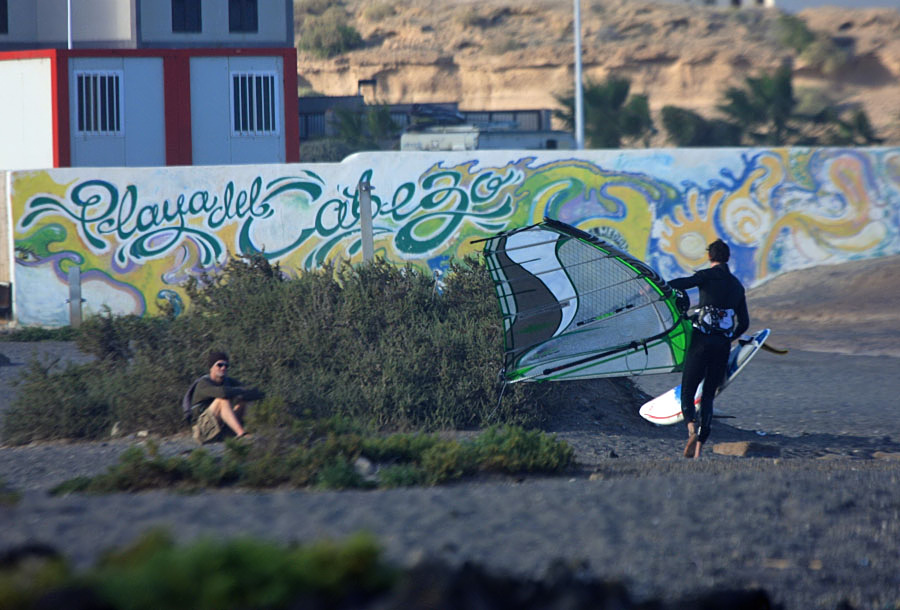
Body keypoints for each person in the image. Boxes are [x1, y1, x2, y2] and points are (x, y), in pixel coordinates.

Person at [669, 239, 749, 459]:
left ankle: (691, 430)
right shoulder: (736, 286)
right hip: (721, 345)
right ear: (727, 258)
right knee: (708, 397)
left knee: (688, 390)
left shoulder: (705, 276)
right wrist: (728, 338)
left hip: (700, 342)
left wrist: (658, 285)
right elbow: (744, 323)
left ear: (710, 256)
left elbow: (679, 284)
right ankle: (699, 449)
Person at [183, 350, 264, 444]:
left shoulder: (228, 381)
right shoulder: (203, 384)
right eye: (220, 365)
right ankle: (241, 434)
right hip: (202, 432)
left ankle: (253, 430)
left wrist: (248, 393)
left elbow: (252, 391)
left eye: (226, 365)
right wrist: (242, 391)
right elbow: (222, 392)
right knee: (222, 400)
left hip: (221, 429)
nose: (223, 368)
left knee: (244, 401)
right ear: (211, 367)